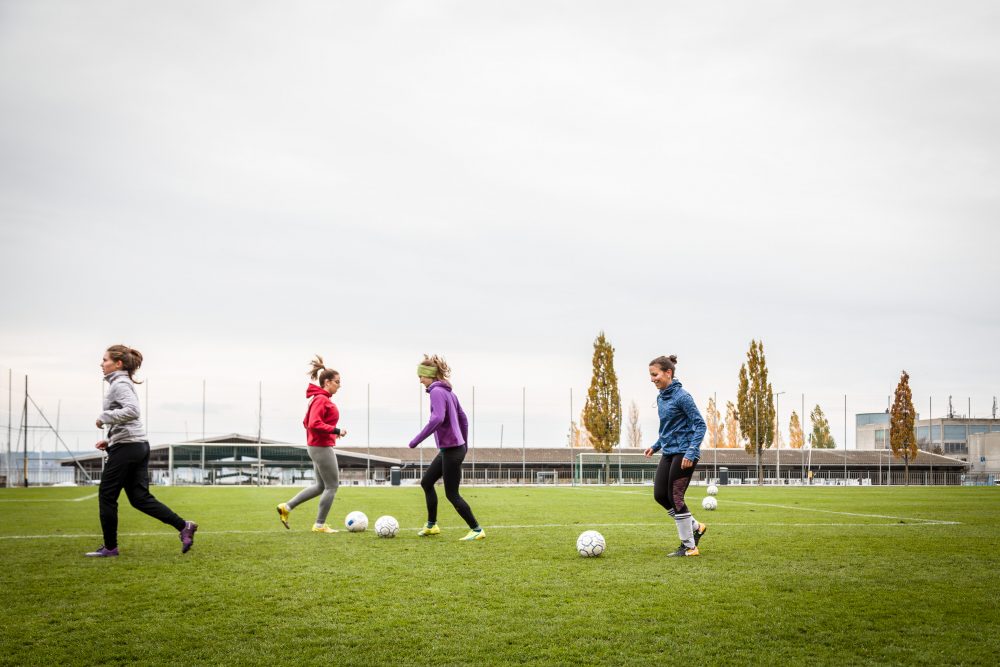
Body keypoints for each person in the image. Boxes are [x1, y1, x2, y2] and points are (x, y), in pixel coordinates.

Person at [86, 345, 197, 557]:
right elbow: (128, 420)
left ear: (118, 364)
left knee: (107, 496)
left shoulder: (119, 384)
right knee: (139, 498)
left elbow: (132, 411)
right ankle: (184, 526)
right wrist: (110, 441)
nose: (101, 364)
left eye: (105, 360)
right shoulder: (121, 383)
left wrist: (103, 417)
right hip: (136, 445)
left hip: (128, 447)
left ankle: (110, 548)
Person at [409, 355, 484, 541]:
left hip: (452, 450)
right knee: (427, 482)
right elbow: (463, 418)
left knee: (452, 494)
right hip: (452, 449)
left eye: (421, 376)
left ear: (430, 375)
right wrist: (464, 444)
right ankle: (432, 525)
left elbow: (437, 418)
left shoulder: (436, 392)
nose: (420, 380)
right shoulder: (449, 392)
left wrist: (416, 440)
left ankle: (476, 529)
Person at [644, 355, 707, 557]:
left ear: (668, 373)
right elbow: (668, 429)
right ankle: (696, 527)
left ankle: (689, 546)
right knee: (661, 496)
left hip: (685, 453)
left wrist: (691, 451)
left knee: (676, 497)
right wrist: (655, 446)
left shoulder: (683, 397)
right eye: (651, 376)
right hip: (669, 451)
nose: (652, 379)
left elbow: (700, 424)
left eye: (655, 375)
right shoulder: (661, 397)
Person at [276, 356, 347, 533]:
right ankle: (319, 525)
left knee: (320, 486)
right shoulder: (321, 399)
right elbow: (313, 423)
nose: (339, 385)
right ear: (327, 382)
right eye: (337, 382)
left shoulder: (319, 398)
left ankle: (287, 507)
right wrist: (335, 431)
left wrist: (328, 433)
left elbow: (307, 423)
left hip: (317, 446)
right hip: (321, 448)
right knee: (332, 486)